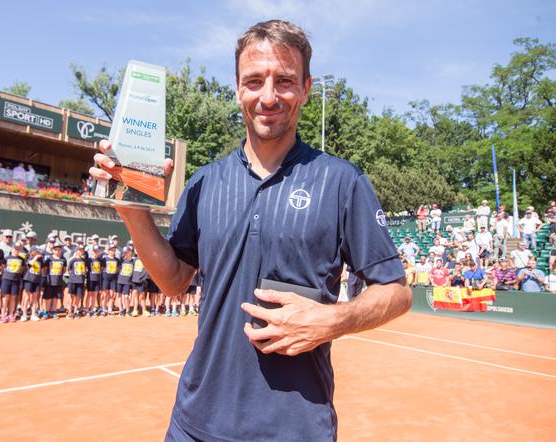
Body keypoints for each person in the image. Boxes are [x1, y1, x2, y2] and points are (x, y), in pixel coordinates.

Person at [91, 19, 411, 441]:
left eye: (285, 81)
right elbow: (173, 280)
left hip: (296, 429)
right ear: (238, 88)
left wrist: (333, 319)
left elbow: (397, 291)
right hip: (195, 423)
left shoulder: (342, 181)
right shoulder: (205, 181)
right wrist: (131, 206)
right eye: (254, 81)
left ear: (307, 88)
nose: (268, 96)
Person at [0, 243, 26, 323]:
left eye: (18, 249)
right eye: (15, 249)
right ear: (12, 249)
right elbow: (2, 268)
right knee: (5, 298)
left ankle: (11, 314)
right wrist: (5, 275)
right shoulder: (6, 258)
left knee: (13, 298)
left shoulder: (21, 259)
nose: (16, 250)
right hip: (6, 279)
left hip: (16, 280)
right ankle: (3, 315)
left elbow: (22, 269)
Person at [42, 244, 66, 319]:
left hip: (58, 281)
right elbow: (45, 270)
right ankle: (47, 311)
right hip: (50, 281)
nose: (57, 251)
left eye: (59, 250)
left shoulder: (63, 260)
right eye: (56, 250)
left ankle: (53, 311)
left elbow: (64, 270)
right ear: (53, 250)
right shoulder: (49, 259)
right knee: (48, 297)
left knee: (55, 297)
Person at [21, 246, 43, 321]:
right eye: (36, 251)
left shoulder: (40, 261)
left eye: (38, 251)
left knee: (34, 298)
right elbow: (30, 264)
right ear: (32, 252)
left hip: (37, 280)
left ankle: (33, 314)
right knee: (27, 297)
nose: (38, 252)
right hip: (29, 279)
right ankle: (24, 314)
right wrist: (36, 257)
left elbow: (42, 269)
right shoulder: (29, 258)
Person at [66, 245, 87, 319]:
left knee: (78, 297)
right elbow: (69, 270)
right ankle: (69, 312)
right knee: (71, 297)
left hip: (80, 281)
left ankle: (75, 312)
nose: (81, 251)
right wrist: (74, 276)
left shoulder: (84, 260)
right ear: (76, 251)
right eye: (80, 250)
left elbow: (85, 270)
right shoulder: (72, 260)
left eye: (82, 250)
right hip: (72, 281)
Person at [102, 242, 121, 315]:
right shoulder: (104, 259)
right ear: (108, 251)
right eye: (111, 250)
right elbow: (102, 268)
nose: (113, 251)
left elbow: (118, 269)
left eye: (114, 250)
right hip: (106, 278)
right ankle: (103, 309)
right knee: (105, 294)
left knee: (112, 294)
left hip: (113, 279)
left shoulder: (117, 260)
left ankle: (109, 309)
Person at [116, 247, 134, 317]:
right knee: (119, 295)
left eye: (127, 252)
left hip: (128, 281)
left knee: (126, 296)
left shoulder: (133, 261)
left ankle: (127, 310)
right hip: (120, 280)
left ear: (131, 252)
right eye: (125, 252)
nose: (126, 253)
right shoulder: (121, 260)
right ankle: (121, 310)